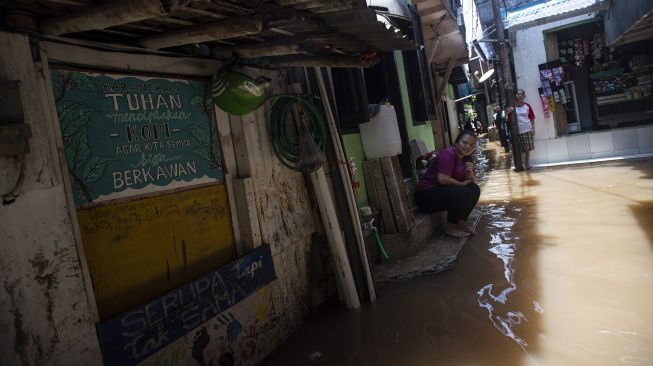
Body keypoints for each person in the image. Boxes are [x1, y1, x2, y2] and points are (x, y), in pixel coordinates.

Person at [414, 130, 480, 238]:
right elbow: (443, 179)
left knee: (474, 189)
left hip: (441, 191)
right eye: (465, 142)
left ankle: (461, 221)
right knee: (464, 193)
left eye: (472, 145)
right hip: (425, 195)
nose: (468, 147)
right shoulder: (448, 154)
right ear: (457, 141)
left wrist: (471, 172)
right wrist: (462, 184)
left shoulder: (467, 157)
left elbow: (471, 181)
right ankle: (450, 226)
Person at [507, 89, 535, 170]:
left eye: (521, 94)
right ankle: (522, 164)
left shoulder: (527, 106)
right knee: (519, 149)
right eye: (518, 94)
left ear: (524, 96)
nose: (519, 96)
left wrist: (533, 128)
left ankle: (527, 164)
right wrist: (507, 113)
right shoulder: (513, 106)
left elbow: (532, 118)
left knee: (527, 149)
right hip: (516, 131)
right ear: (515, 96)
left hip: (527, 129)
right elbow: (506, 119)